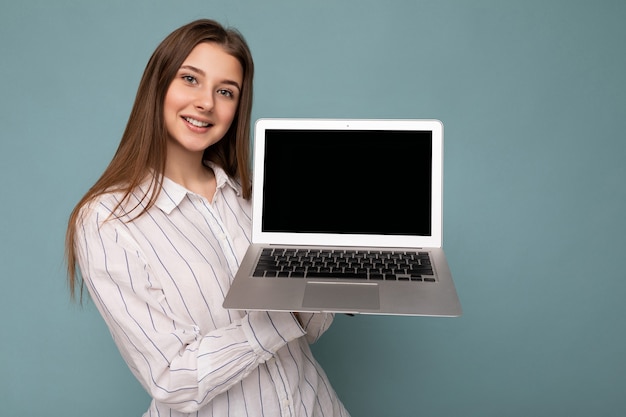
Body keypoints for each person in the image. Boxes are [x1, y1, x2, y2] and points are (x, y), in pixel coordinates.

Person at [65, 19, 350, 417]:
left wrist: (332, 284)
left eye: (225, 91)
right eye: (190, 79)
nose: (206, 103)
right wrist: (283, 318)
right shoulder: (108, 221)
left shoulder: (257, 201)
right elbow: (172, 379)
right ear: (158, 85)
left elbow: (312, 329)